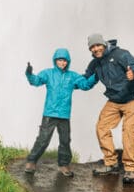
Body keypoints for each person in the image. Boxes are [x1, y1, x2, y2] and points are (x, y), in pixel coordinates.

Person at [84, 33, 134, 186]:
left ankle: (130, 169)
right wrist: (66, 82)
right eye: (92, 47)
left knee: (128, 130)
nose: (96, 49)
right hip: (115, 99)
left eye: (98, 45)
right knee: (102, 127)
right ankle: (111, 163)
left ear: (104, 44)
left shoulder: (120, 55)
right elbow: (85, 78)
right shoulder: (95, 64)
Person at [23, 47, 95, 177]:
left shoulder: (72, 76)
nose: (63, 63)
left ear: (68, 62)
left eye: (65, 61)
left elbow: (85, 85)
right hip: (49, 113)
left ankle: (63, 165)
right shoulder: (48, 73)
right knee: (43, 140)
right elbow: (36, 81)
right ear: (55, 60)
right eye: (60, 60)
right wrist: (29, 73)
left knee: (65, 140)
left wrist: (97, 75)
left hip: (64, 115)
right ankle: (31, 161)